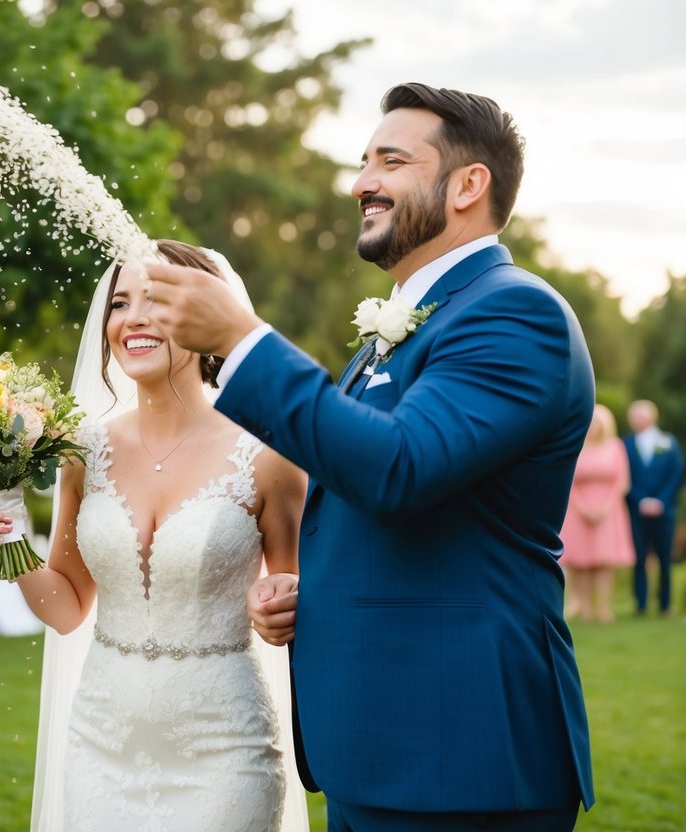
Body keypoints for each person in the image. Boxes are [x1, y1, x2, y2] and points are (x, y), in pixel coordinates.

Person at [146, 84, 595, 831]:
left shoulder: (516, 312)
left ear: (467, 184)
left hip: (459, 751)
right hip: (373, 743)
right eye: (361, 163)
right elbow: (360, 487)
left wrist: (242, 341)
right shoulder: (399, 329)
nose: (360, 184)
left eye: (389, 161)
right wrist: (299, 588)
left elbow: (399, 468)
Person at [0, 241, 310, 832]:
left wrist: (283, 606)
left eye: (155, 300)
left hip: (225, 746)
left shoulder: (267, 453)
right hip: (101, 744)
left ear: (204, 314)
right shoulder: (82, 451)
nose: (133, 319)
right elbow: (67, 608)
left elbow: (297, 592)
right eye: (120, 302)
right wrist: (11, 539)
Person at [560, 404, 635, 624]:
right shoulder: (576, 445)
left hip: (609, 511)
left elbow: (622, 481)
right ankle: (584, 608)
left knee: (604, 562)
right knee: (580, 563)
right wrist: (582, 507)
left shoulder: (615, 447)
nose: (593, 428)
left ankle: (603, 607)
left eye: (597, 424)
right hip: (578, 510)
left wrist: (605, 506)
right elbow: (567, 480)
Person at [622, 399, 683, 616]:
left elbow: (676, 473)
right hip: (637, 510)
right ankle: (640, 604)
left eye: (638, 415)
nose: (634, 420)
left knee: (665, 557)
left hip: (664, 510)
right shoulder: (626, 444)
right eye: (633, 415)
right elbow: (623, 476)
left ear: (650, 417)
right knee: (638, 557)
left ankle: (665, 604)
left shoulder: (668, 442)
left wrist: (660, 500)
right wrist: (641, 500)